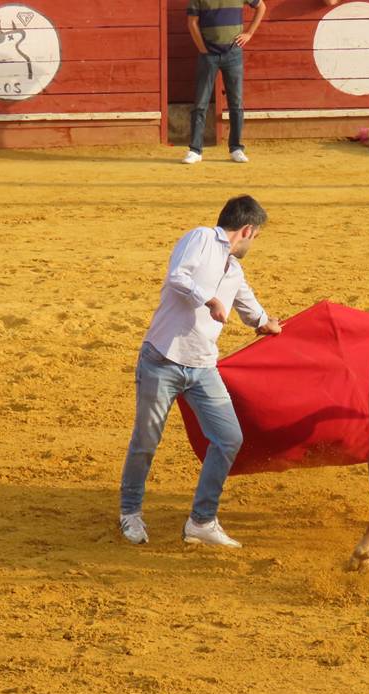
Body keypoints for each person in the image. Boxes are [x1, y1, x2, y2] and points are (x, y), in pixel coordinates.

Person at [118, 196, 282, 548]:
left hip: (203, 367)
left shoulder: (234, 271)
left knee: (229, 438)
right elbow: (177, 277)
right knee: (146, 441)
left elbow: (251, 309)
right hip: (162, 359)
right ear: (247, 230)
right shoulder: (202, 237)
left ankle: (201, 520)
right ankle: (130, 512)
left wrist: (267, 323)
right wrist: (210, 300)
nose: (253, 244)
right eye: (256, 237)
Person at [182, 0, 267, 165]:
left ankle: (236, 148)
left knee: (236, 103)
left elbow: (261, 6)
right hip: (208, 54)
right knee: (200, 103)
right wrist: (203, 49)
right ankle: (195, 150)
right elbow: (192, 23)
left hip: (233, 52)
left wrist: (249, 33)